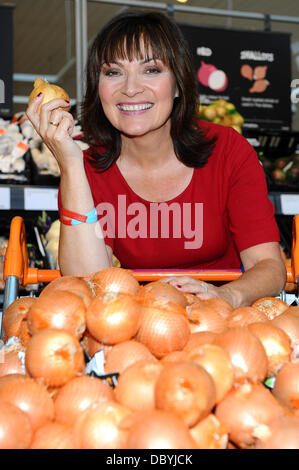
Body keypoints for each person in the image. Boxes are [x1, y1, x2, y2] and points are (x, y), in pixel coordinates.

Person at [26, 10, 286, 308]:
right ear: (98, 87)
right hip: (136, 326)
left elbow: (268, 267)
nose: (131, 88)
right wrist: (71, 165)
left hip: (224, 324)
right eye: (113, 72)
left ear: (178, 83)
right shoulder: (88, 169)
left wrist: (225, 296)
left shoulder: (228, 151)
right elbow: (89, 285)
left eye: (151, 70)